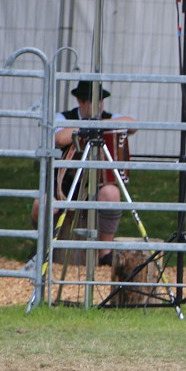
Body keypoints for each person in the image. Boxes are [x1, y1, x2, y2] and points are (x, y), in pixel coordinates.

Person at [31, 81, 136, 265]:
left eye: (100, 101)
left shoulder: (108, 118)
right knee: (42, 204)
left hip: (96, 186)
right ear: (80, 101)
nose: (99, 106)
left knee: (111, 193)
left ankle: (105, 252)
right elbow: (59, 138)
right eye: (93, 101)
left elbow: (133, 124)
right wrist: (86, 127)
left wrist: (98, 124)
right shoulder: (64, 117)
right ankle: (41, 249)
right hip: (63, 186)